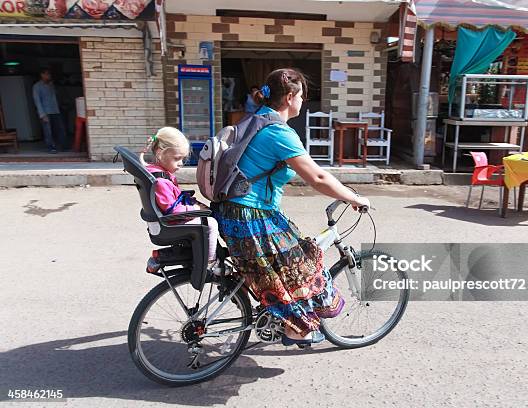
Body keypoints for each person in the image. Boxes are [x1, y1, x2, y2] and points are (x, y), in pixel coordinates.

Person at [211, 68, 370, 347]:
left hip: (235, 211)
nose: (302, 102)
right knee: (302, 267)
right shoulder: (278, 132)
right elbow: (317, 177)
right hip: (250, 216)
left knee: (293, 256)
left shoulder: (256, 121)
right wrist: (353, 198)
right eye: (302, 96)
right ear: (290, 97)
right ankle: (296, 328)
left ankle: (276, 318)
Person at [140, 127, 220, 270]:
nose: (181, 163)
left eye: (182, 158)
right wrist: (194, 208)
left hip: (163, 221)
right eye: (177, 159)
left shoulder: (155, 172)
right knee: (211, 223)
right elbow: (173, 210)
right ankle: (210, 262)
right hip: (169, 223)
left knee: (205, 212)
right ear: (160, 152)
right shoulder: (160, 182)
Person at [32, 68, 67, 153]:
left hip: (56, 110)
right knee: (48, 131)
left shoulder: (51, 85)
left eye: (49, 74)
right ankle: (51, 147)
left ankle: (62, 146)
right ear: (42, 75)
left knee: (60, 129)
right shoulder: (37, 86)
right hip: (45, 112)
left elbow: (56, 97)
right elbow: (37, 101)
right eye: (47, 74)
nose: (49, 76)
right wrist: (42, 114)